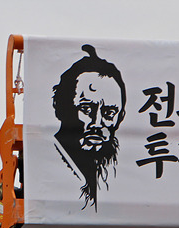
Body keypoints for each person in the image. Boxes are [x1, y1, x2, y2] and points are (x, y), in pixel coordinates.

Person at [51, 44, 126, 210]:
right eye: (86, 109)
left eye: (109, 113)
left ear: (121, 117)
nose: (97, 123)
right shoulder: (45, 164)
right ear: (61, 106)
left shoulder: (121, 171)